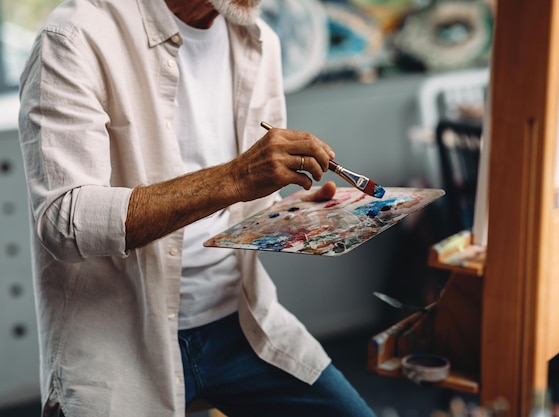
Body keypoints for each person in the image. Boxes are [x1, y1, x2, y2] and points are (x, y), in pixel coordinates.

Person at [18, 0, 378, 416]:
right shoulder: (74, 37)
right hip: (121, 341)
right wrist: (235, 177)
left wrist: (295, 212)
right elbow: (65, 222)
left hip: (241, 322)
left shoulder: (260, 42)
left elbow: (246, 204)